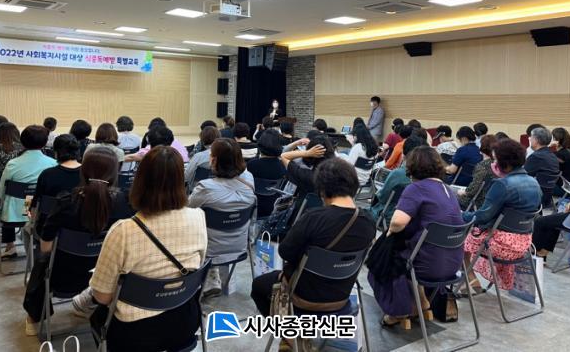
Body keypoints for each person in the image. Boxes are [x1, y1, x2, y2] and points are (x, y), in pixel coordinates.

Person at [88, 146, 208, 351]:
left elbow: (102, 296)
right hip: (184, 321)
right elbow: (198, 265)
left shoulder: (123, 231)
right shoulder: (199, 216)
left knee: (97, 316)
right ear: (181, 181)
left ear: (140, 180)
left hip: (135, 333)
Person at [251, 158, 376, 322]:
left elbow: (285, 252)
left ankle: (286, 331)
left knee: (258, 286)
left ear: (322, 190)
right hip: (340, 297)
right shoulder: (369, 223)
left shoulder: (313, 218)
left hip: (303, 296)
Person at [23, 148, 132, 335]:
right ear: (116, 172)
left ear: (83, 171)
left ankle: (34, 317)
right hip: (108, 279)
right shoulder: (126, 205)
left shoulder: (66, 203)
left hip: (63, 277)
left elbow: (46, 247)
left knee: (41, 263)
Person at [369, 146, 464, 328]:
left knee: (382, 257)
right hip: (453, 265)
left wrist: (390, 232)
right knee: (412, 248)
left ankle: (398, 311)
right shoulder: (447, 190)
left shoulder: (416, 189)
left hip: (426, 266)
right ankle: (421, 302)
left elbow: (397, 223)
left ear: (412, 167)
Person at [462, 139, 541, 292]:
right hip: (524, 244)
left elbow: (483, 217)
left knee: (459, 239)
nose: (494, 163)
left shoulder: (502, 185)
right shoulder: (534, 183)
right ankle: (471, 280)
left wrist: (462, 215)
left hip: (501, 245)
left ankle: (470, 278)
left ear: (505, 163)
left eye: (496, 160)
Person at [188, 138, 256, 296]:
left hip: (208, 249)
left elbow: (188, 211)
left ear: (213, 160)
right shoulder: (249, 185)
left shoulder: (205, 188)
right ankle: (218, 279)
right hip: (239, 246)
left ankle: (207, 277)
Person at [0, 125, 57, 258]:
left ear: (22, 142)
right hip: (41, 214)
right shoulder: (53, 164)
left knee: (11, 204)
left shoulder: (13, 164)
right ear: (44, 143)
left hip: (15, 213)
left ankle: (10, 246)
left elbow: (1, 193)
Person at [369, 136, 424, 225]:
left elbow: (383, 198)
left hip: (389, 216)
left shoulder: (398, 174)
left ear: (403, 154)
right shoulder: (428, 176)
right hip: (414, 219)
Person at [32, 134, 82, 233]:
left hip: (47, 229)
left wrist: (28, 219)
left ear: (56, 152)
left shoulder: (47, 174)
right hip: (78, 229)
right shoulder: (88, 174)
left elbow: (34, 202)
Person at [281, 134, 335, 202]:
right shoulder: (337, 172)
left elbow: (283, 156)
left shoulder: (305, 174)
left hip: (303, 205)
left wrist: (307, 153)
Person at [457, 135, 497, 210]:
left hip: (478, 203)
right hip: (492, 202)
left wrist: (462, 192)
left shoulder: (482, 166)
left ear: (482, 148)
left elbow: (473, 190)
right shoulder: (498, 165)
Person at [524, 127, 560, 206]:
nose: (529, 139)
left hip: (535, 197)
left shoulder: (536, 156)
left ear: (536, 140)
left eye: (531, 137)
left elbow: (522, 175)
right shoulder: (552, 155)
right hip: (547, 196)